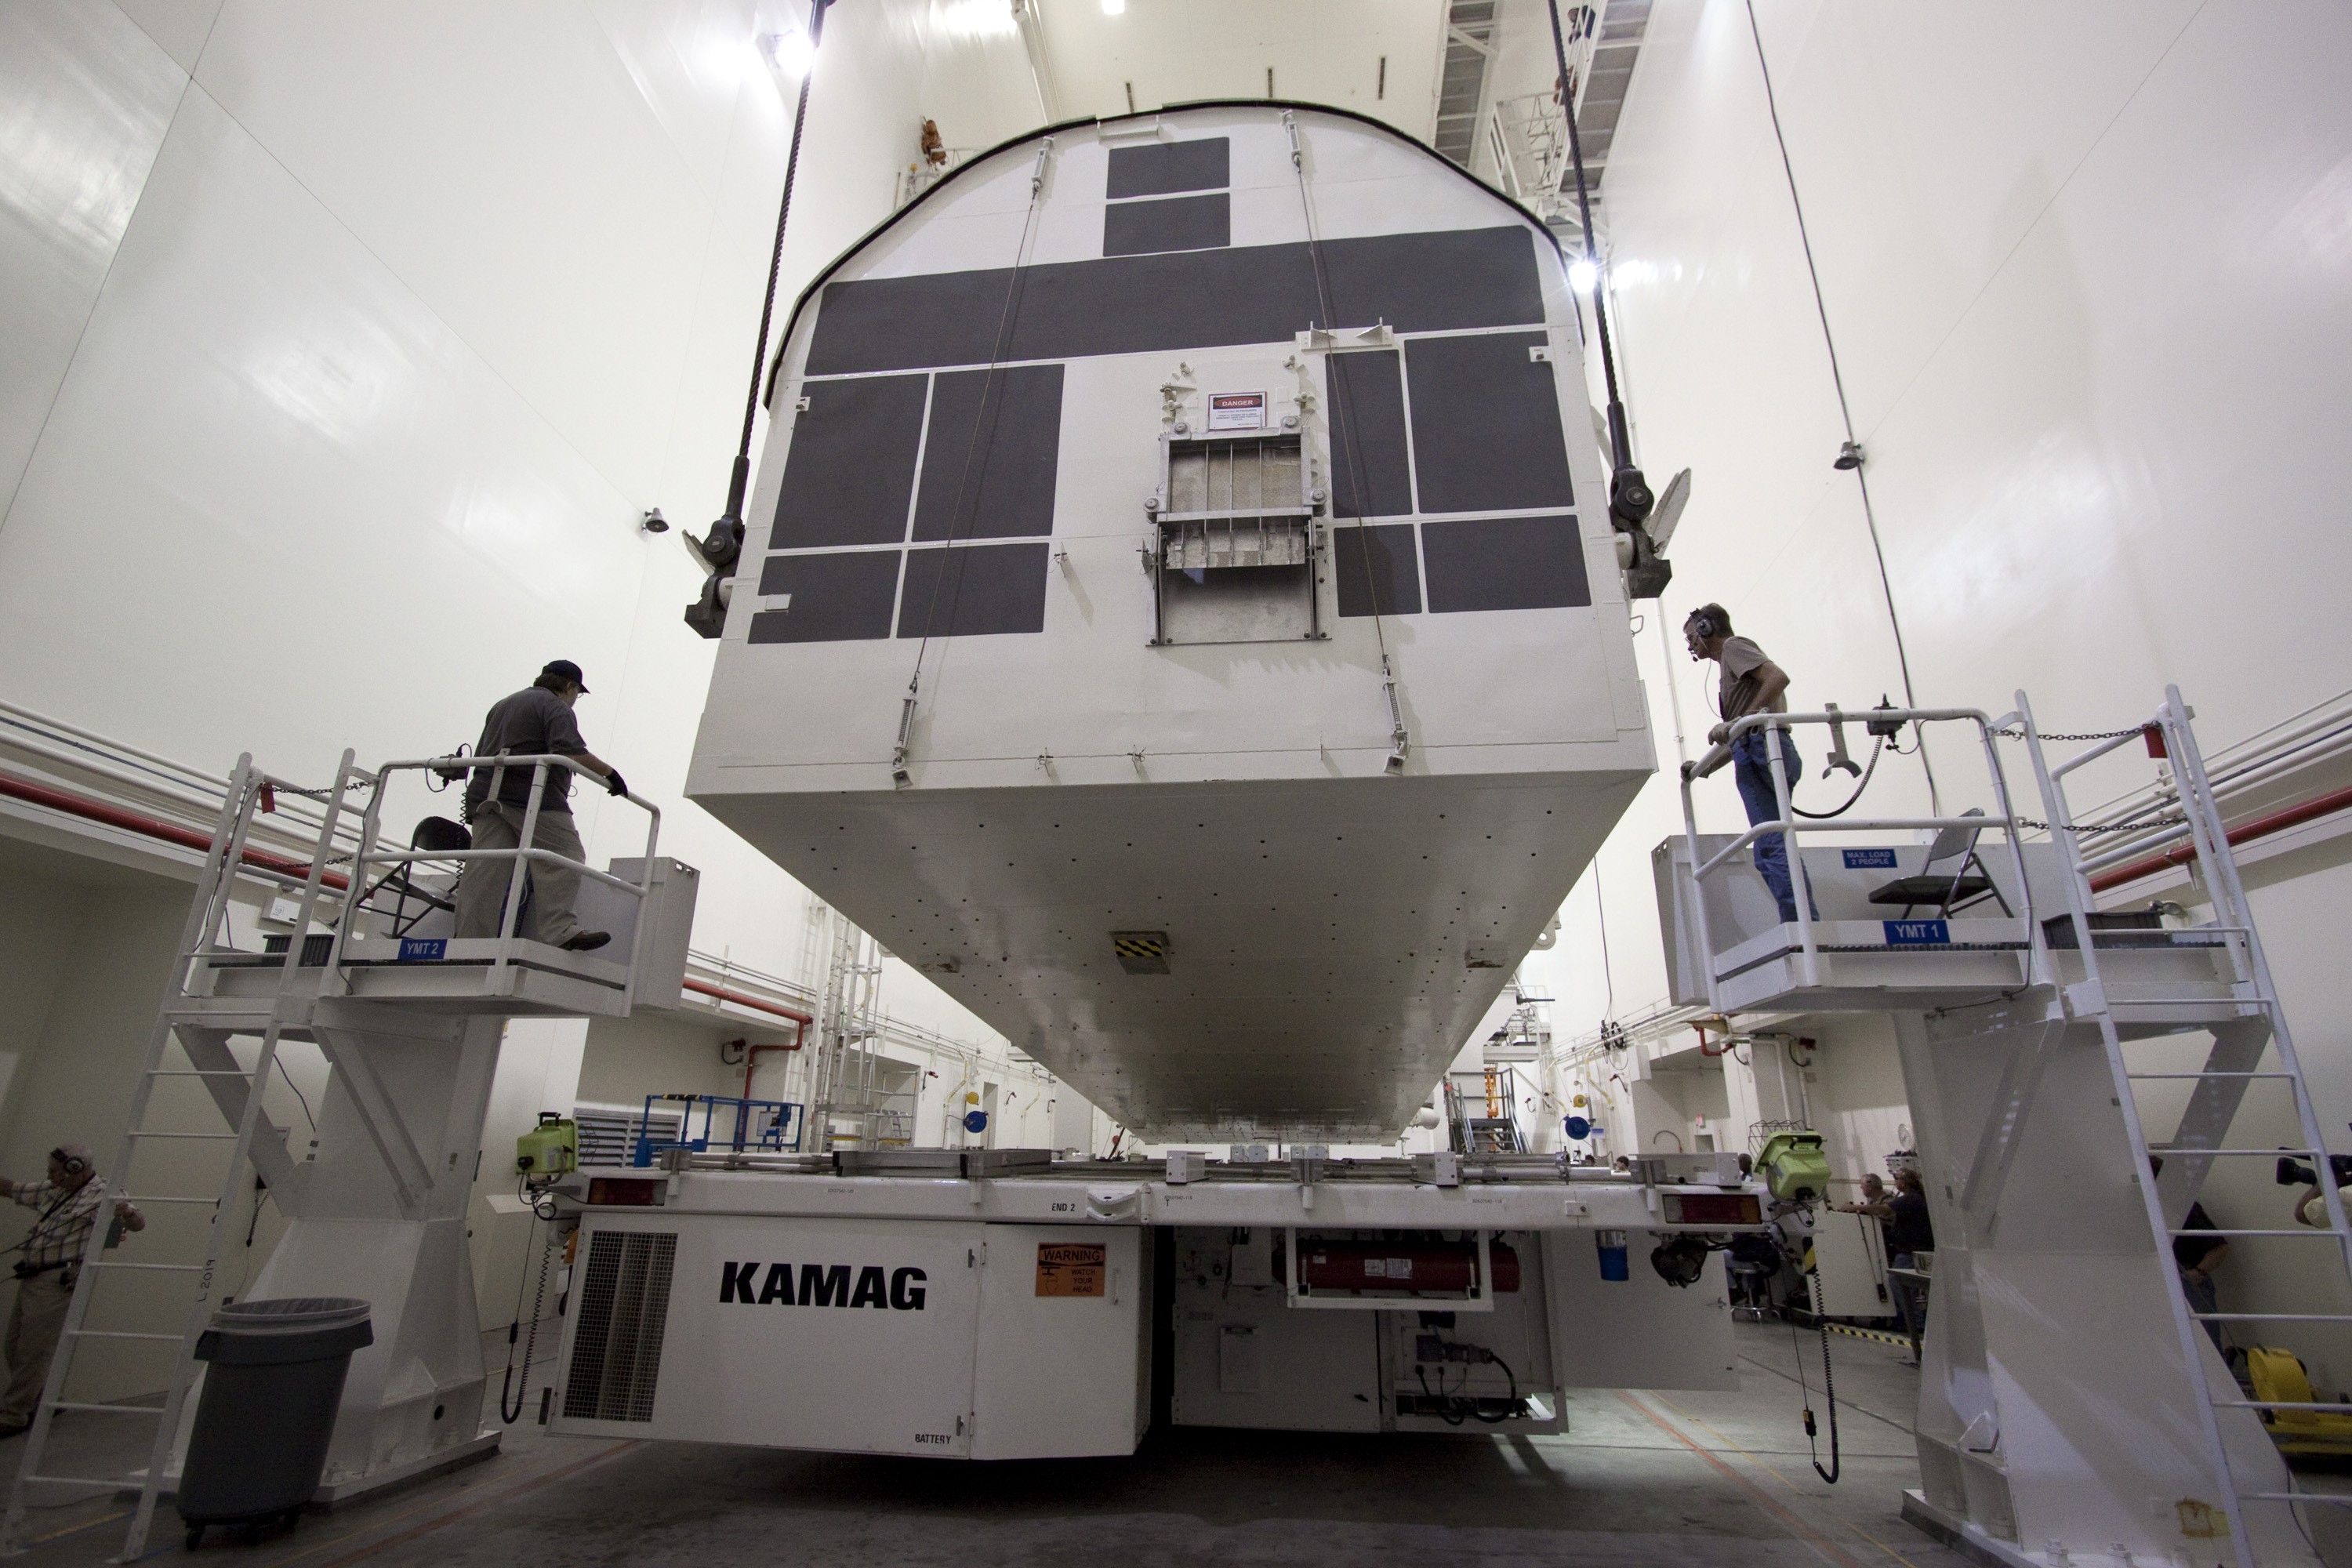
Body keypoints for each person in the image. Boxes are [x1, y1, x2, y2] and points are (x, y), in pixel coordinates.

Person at [452, 661, 628, 953]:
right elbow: (571, 750)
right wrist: (611, 775)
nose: (575, 699)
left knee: (485, 871)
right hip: (531, 798)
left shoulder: (503, 705)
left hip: (486, 796)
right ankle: (560, 931)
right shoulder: (556, 707)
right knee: (566, 855)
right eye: (577, 693)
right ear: (570, 687)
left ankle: (468, 944)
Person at [1679, 604, 1816, 923]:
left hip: (1761, 748)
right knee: (1770, 846)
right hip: (1759, 747)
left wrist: (1743, 719)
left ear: (1706, 628)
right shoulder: (1730, 661)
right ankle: (1801, 921)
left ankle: (1801, 925)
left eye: (1691, 636)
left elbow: (1777, 678)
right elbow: (1739, 732)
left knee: (1772, 844)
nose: (1690, 645)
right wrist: (1705, 767)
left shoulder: (1733, 647)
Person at [0, 1146, 144, 1437]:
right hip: (33, 1276)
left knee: (33, 1351)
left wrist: (127, 1214)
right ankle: (44, 1399)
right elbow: (13, 1189)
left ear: (76, 1169)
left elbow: (137, 1222)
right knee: (14, 1346)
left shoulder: (103, 1194)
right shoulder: (53, 1190)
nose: (50, 1176)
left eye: (55, 1171)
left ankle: (15, 1415)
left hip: (57, 1280)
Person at [2151, 1156, 2228, 1351]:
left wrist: (2197, 1274)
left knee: (2207, 1347)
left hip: (2190, 1284)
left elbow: (2220, 1248)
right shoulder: (2149, 1211)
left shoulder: (2184, 1208)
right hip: (2165, 1284)